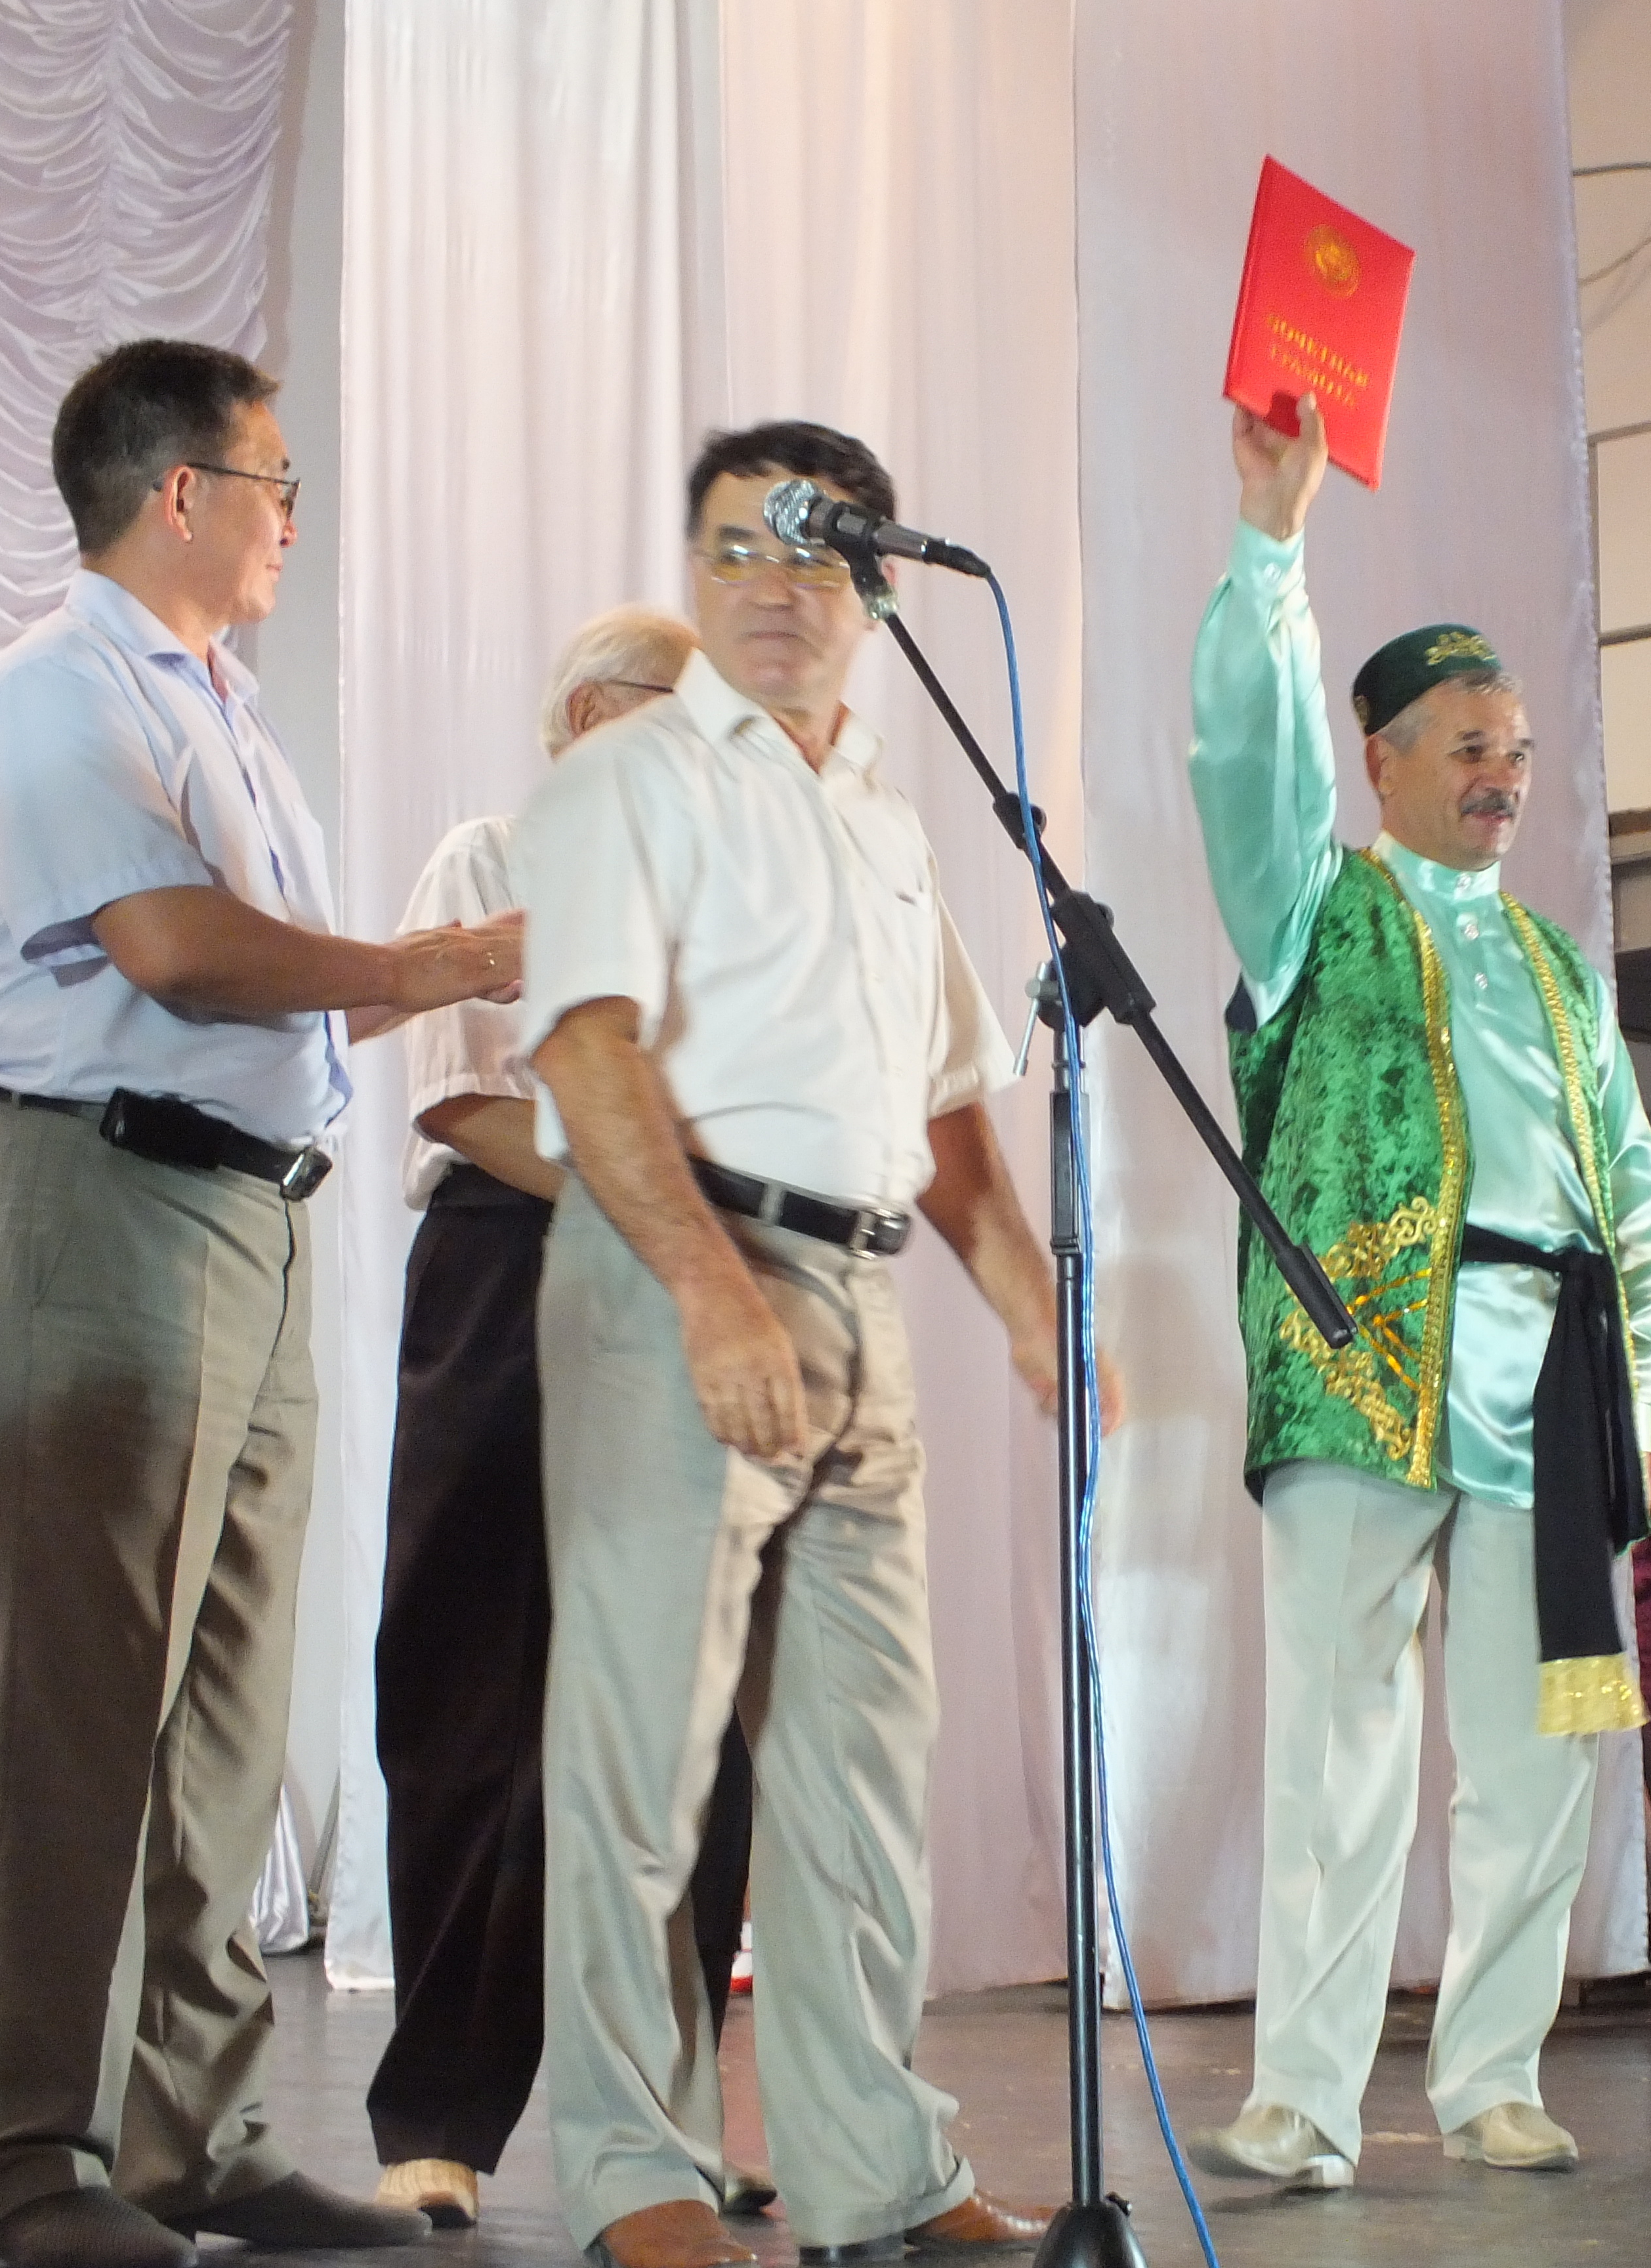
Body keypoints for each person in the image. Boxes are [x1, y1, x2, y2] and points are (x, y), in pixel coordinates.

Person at [0, 337, 522, 2268]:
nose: (291, 516)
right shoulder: (57, 688)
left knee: (226, 1718)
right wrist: (438, 954)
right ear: (177, 492)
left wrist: (452, 971)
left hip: (249, 1219)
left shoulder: (225, 714)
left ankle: (190, 2138)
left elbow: (287, 997)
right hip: (102, 1200)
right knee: (81, 1703)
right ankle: (19, 2170)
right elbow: (178, 952)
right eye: (275, 480)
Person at [519, 421, 1079, 2268]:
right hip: (684, 1264)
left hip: (862, 1289)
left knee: (862, 1768)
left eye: (811, 548)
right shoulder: (628, 779)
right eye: (733, 548)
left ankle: (878, 2173)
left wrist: (1029, 1305)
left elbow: (946, 1099)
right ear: (694, 572)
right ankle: (639, 2171)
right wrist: (708, 1288)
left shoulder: (891, 819)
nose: (769, 583)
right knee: (639, 1758)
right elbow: (587, 1045)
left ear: (879, 584)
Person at [1182, 397, 1651, 2191]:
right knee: (1337, 1743)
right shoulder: (1309, 911)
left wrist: (1636, 1368)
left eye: (1518, 750)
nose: (1502, 775)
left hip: (1554, 1382)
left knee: (1540, 1750)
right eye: (1469, 745)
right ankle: (1305, 2098)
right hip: (1362, 1355)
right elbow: (1247, 767)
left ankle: (1494, 2074)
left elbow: (1631, 1180)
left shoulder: (1557, 964)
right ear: (1378, 762)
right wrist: (1272, 543)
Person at [362, 608, 769, 2231]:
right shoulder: (488, 857)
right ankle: (438, 2116)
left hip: (683, 1298)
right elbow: (465, 1099)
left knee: (691, 1724)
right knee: (472, 1691)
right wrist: (660, 1201)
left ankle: (667, 2125)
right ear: (593, 718)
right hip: (510, 1274)